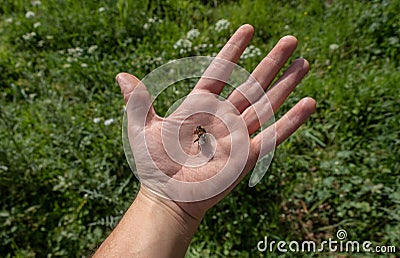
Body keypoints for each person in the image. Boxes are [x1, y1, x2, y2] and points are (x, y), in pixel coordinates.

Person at [93, 24, 315, 257]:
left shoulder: (202, 136)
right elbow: (202, 138)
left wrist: (163, 202)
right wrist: (163, 196)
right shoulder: (200, 137)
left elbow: (203, 138)